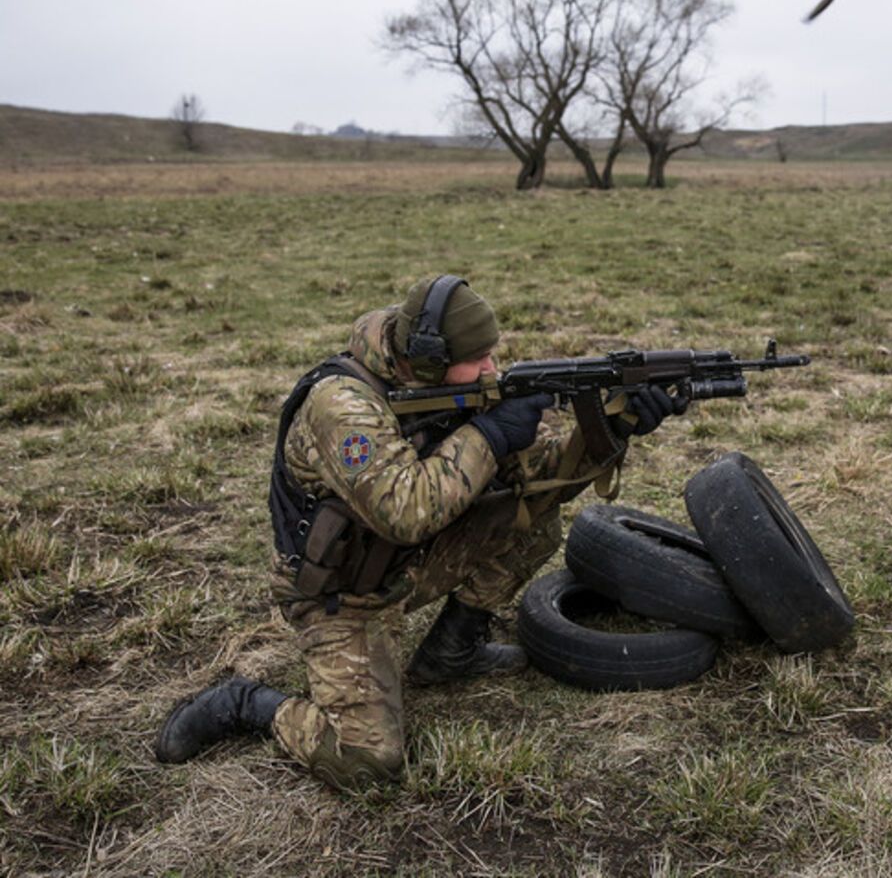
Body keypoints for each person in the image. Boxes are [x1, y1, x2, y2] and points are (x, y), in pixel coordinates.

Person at [154, 276, 684, 790]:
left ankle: (452, 651)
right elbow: (405, 509)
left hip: (407, 564)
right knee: (368, 762)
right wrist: (489, 435)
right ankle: (245, 703)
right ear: (428, 361)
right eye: (476, 361)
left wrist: (613, 427)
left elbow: (544, 478)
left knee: (533, 517)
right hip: (343, 594)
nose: (490, 369)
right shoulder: (342, 405)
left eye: (491, 354)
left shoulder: (455, 382)